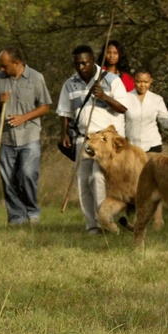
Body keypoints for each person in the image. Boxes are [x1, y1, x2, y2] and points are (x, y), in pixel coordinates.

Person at [56, 44, 128, 235]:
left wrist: (103, 96)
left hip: (106, 139)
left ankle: (106, 220)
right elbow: (64, 112)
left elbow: (123, 108)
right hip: (83, 138)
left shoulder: (111, 80)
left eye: (85, 63)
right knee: (83, 181)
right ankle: (92, 225)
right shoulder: (69, 83)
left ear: (93, 61)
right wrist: (64, 133)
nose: (81, 68)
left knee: (97, 178)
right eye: (77, 64)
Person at [0, 46, 51, 225]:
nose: (1, 69)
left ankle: (32, 212)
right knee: (8, 179)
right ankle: (16, 216)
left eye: (4, 66)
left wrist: (24, 118)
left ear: (17, 63)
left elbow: (45, 106)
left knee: (27, 174)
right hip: (6, 138)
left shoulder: (36, 78)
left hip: (29, 136)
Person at [124, 71, 168, 153]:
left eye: (145, 82)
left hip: (152, 145)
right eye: (139, 81)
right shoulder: (125, 97)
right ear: (134, 81)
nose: (142, 85)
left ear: (151, 81)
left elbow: (165, 122)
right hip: (131, 145)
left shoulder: (157, 99)